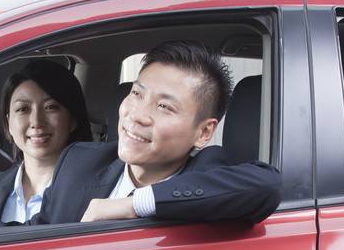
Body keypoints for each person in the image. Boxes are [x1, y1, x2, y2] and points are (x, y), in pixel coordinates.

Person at [32, 39, 281, 225]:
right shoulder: (79, 162)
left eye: (164, 106)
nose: (138, 115)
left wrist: (134, 205)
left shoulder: (211, 172)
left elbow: (267, 185)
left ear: (204, 132)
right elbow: (30, 238)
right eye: (137, 94)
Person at [0, 59, 93, 222]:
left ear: (73, 119)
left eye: (50, 107)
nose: (37, 122)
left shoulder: (94, 190)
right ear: (8, 123)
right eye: (23, 109)